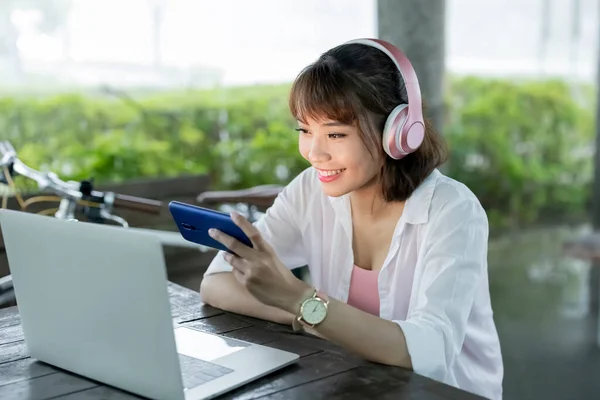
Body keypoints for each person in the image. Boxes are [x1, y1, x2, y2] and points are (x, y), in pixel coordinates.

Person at [199, 38, 503, 400]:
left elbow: (430, 351)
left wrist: (300, 300)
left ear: (399, 132)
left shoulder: (454, 211)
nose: (315, 152)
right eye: (305, 131)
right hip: (351, 383)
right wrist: (303, 314)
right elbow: (217, 283)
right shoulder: (311, 189)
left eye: (336, 134)